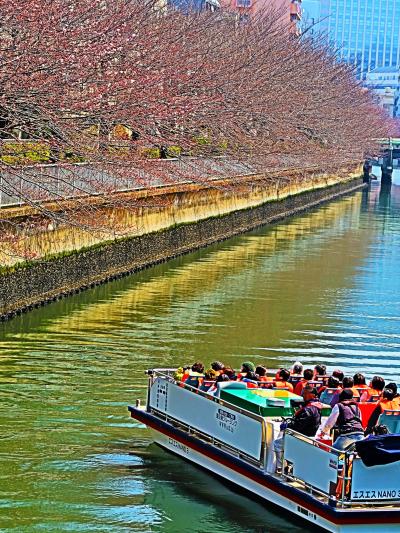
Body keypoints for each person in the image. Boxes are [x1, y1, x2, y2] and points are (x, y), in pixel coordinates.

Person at [274, 385, 323, 470]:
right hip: (310, 435)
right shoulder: (317, 406)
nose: (302, 395)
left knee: (277, 443)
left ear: (312, 395)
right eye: (302, 393)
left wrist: (287, 425)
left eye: (304, 393)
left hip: (302, 435)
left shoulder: (308, 410)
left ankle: (280, 467)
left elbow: (298, 425)